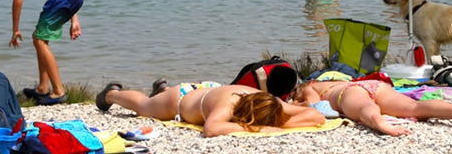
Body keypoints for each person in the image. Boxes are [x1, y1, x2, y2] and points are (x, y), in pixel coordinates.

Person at [5, 0, 83, 106]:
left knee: (40, 40)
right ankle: (42, 88)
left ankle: (58, 91)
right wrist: (74, 19)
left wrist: (15, 29)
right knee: (40, 38)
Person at [95, 82, 324, 137]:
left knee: (151, 102)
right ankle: (112, 93)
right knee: (144, 106)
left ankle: (161, 88)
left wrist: (281, 121)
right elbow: (211, 128)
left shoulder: (269, 102)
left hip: (208, 91)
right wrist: (263, 128)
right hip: (182, 98)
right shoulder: (229, 105)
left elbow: (316, 115)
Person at [291, 79, 452, 136]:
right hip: (375, 85)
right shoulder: (335, 80)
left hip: (348, 93)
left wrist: (298, 102)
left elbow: (317, 105)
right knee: (413, 106)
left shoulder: (309, 86)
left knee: (364, 107)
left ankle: (378, 122)